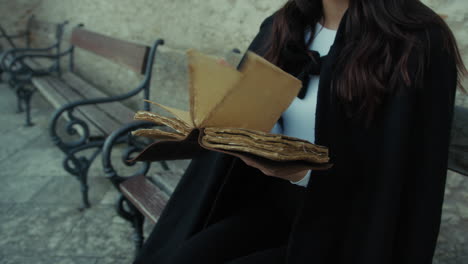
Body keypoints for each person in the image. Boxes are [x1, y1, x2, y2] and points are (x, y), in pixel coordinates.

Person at [134, 0, 466, 263]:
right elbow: (253, 125)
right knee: (187, 257)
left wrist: (300, 172)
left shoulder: (416, 40)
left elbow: (403, 174)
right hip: (274, 206)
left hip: (350, 231)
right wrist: (225, 114)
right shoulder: (284, 26)